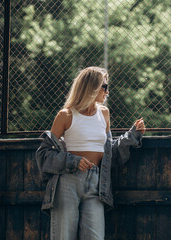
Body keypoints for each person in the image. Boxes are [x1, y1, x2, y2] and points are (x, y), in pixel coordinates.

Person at [36, 66, 145, 240]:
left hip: (96, 183)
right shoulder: (65, 115)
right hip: (67, 182)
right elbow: (44, 154)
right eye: (105, 86)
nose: (107, 92)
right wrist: (72, 161)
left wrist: (133, 135)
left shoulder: (104, 114)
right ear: (91, 87)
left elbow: (110, 152)